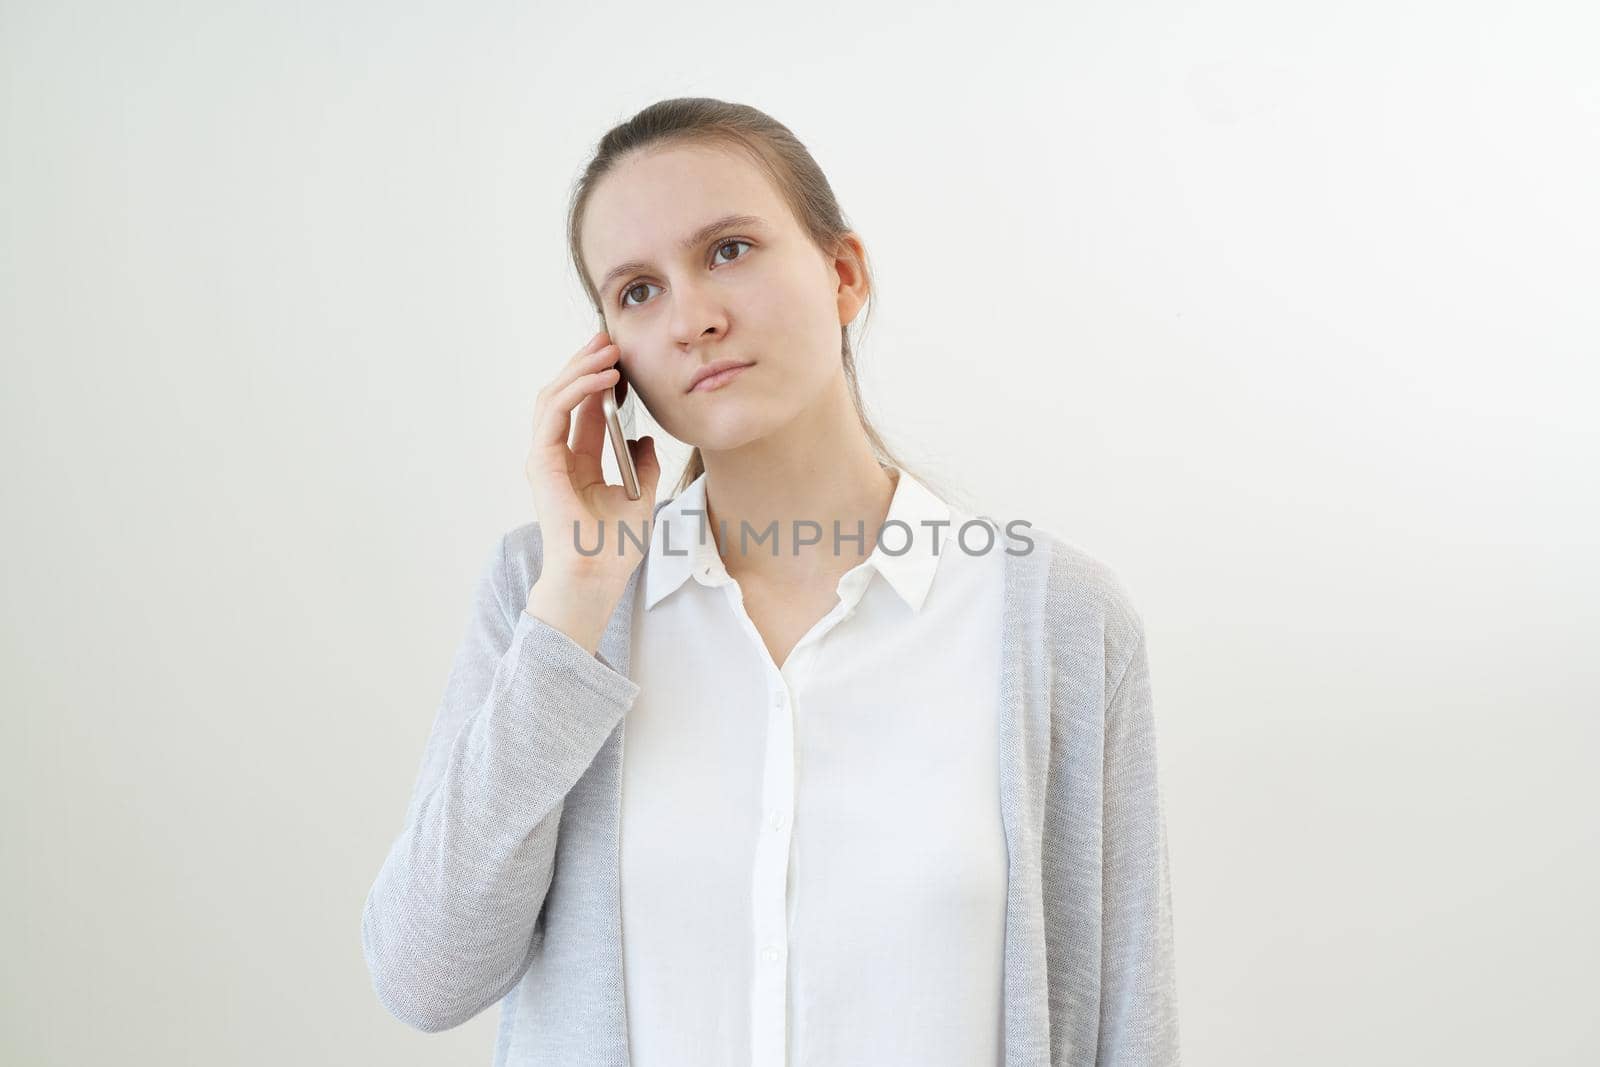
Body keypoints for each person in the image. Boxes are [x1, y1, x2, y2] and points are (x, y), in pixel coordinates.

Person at [362, 97, 1180, 1067]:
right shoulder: (549, 597)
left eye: (728, 250)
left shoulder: (1057, 621)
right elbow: (424, 977)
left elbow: (1126, 1017)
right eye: (635, 291)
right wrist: (576, 596)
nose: (693, 318)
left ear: (843, 274)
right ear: (607, 357)